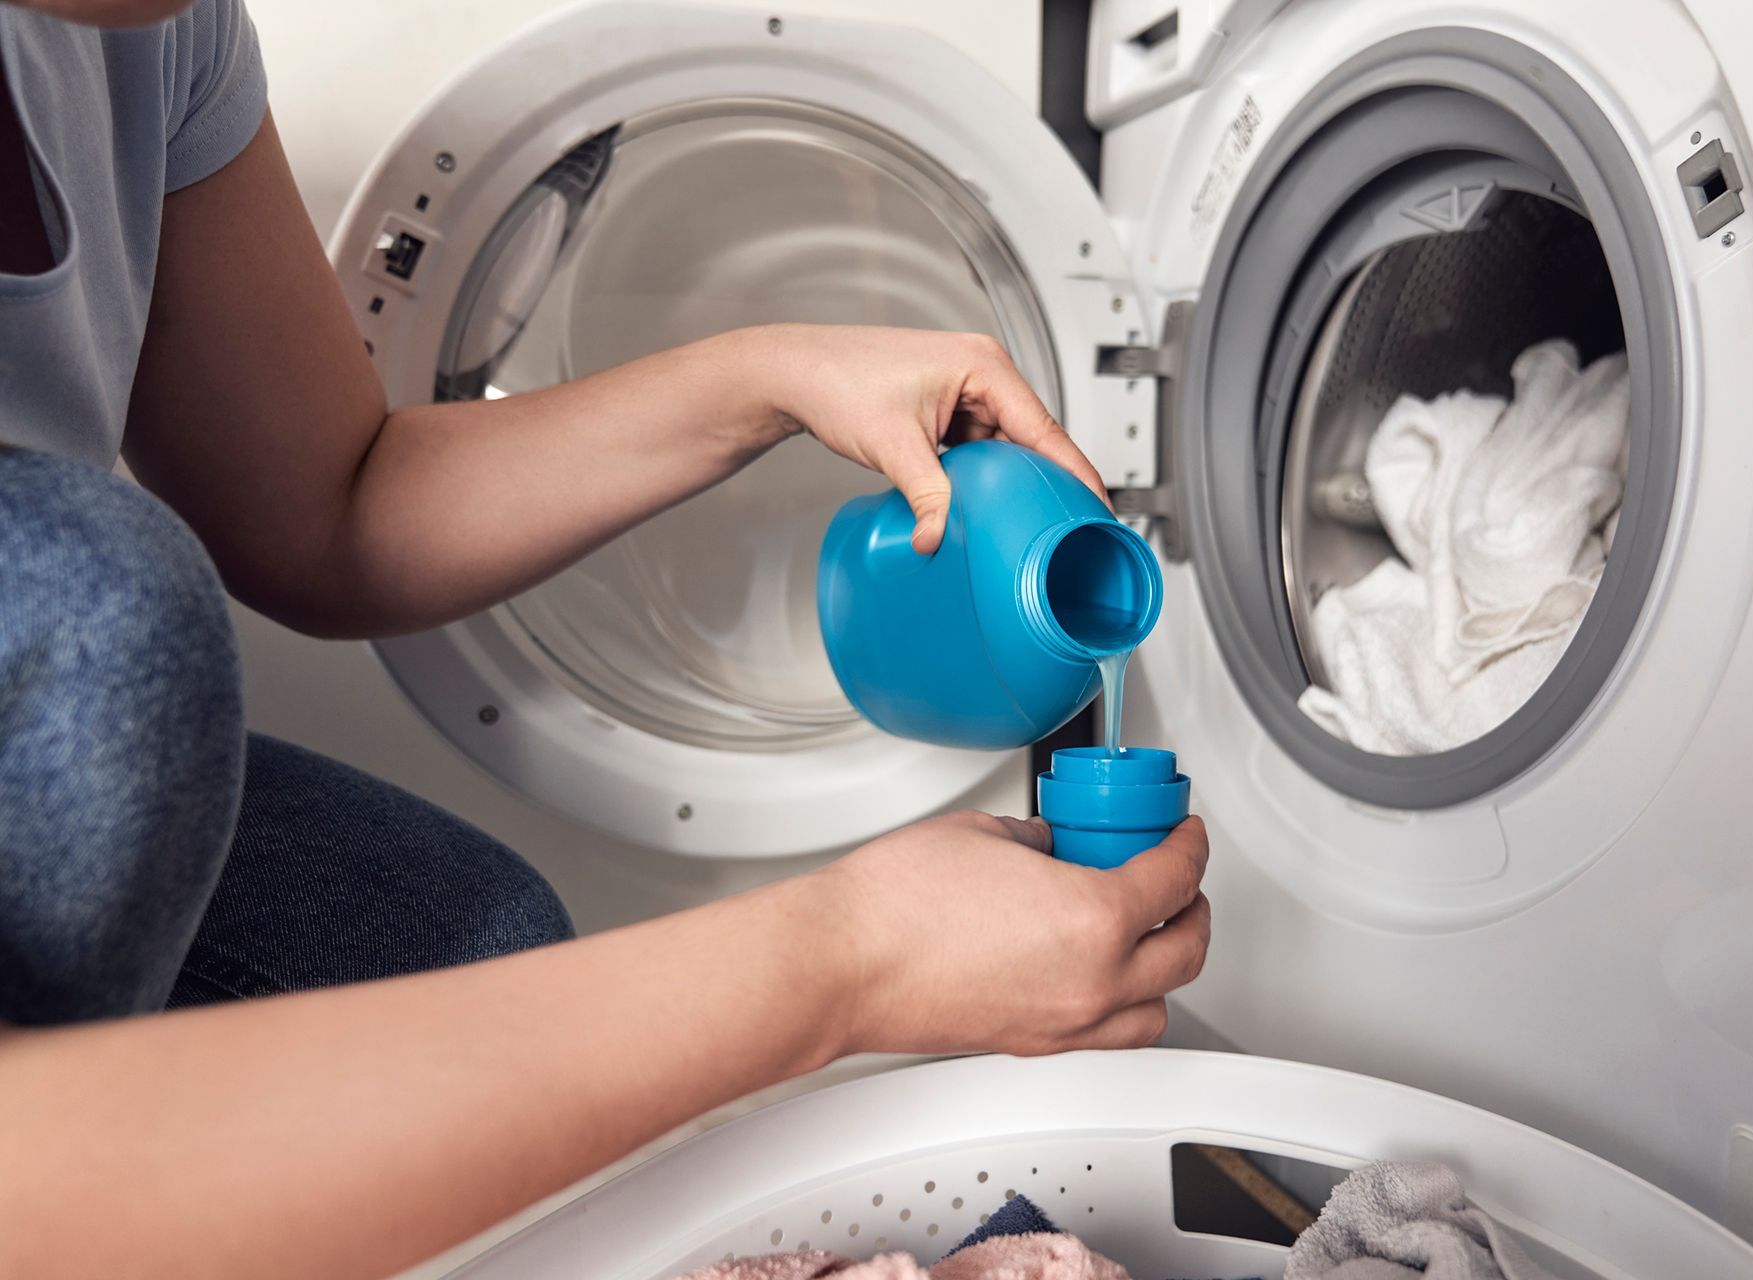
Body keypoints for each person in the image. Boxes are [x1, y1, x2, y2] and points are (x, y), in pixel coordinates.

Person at [0, 0, 1211, 1275]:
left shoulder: (151, 30)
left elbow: (329, 503)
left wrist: (767, 375)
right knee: (94, 615)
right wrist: (846, 957)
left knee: (471, 941)